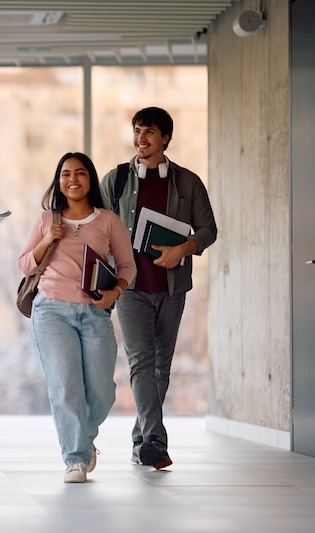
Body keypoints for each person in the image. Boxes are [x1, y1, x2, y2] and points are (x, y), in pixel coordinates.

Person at [99, 107, 217, 470]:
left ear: (165, 137)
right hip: (129, 286)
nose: (141, 139)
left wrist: (182, 249)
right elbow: (97, 228)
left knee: (161, 366)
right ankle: (155, 440)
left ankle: (141, 440)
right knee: (141, 361)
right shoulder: (115, 180)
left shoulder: (188, 182)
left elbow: (208, 230)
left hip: (172, 286)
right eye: (137, 131)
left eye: (149, 132)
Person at [18, 152, 136, 483]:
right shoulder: (46, 219)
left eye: (81, 173)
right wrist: (47, 239)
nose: (73, 179)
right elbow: (25, 264)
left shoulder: (108, 220)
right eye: (66, 173)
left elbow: (127, 266)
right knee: (65, 386)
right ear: (58, 180)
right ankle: (75, 458)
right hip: (52, 311)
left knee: (102, 391)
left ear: (90, 179)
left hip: (95, 312)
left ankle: (82, 438)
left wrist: (116, 293)